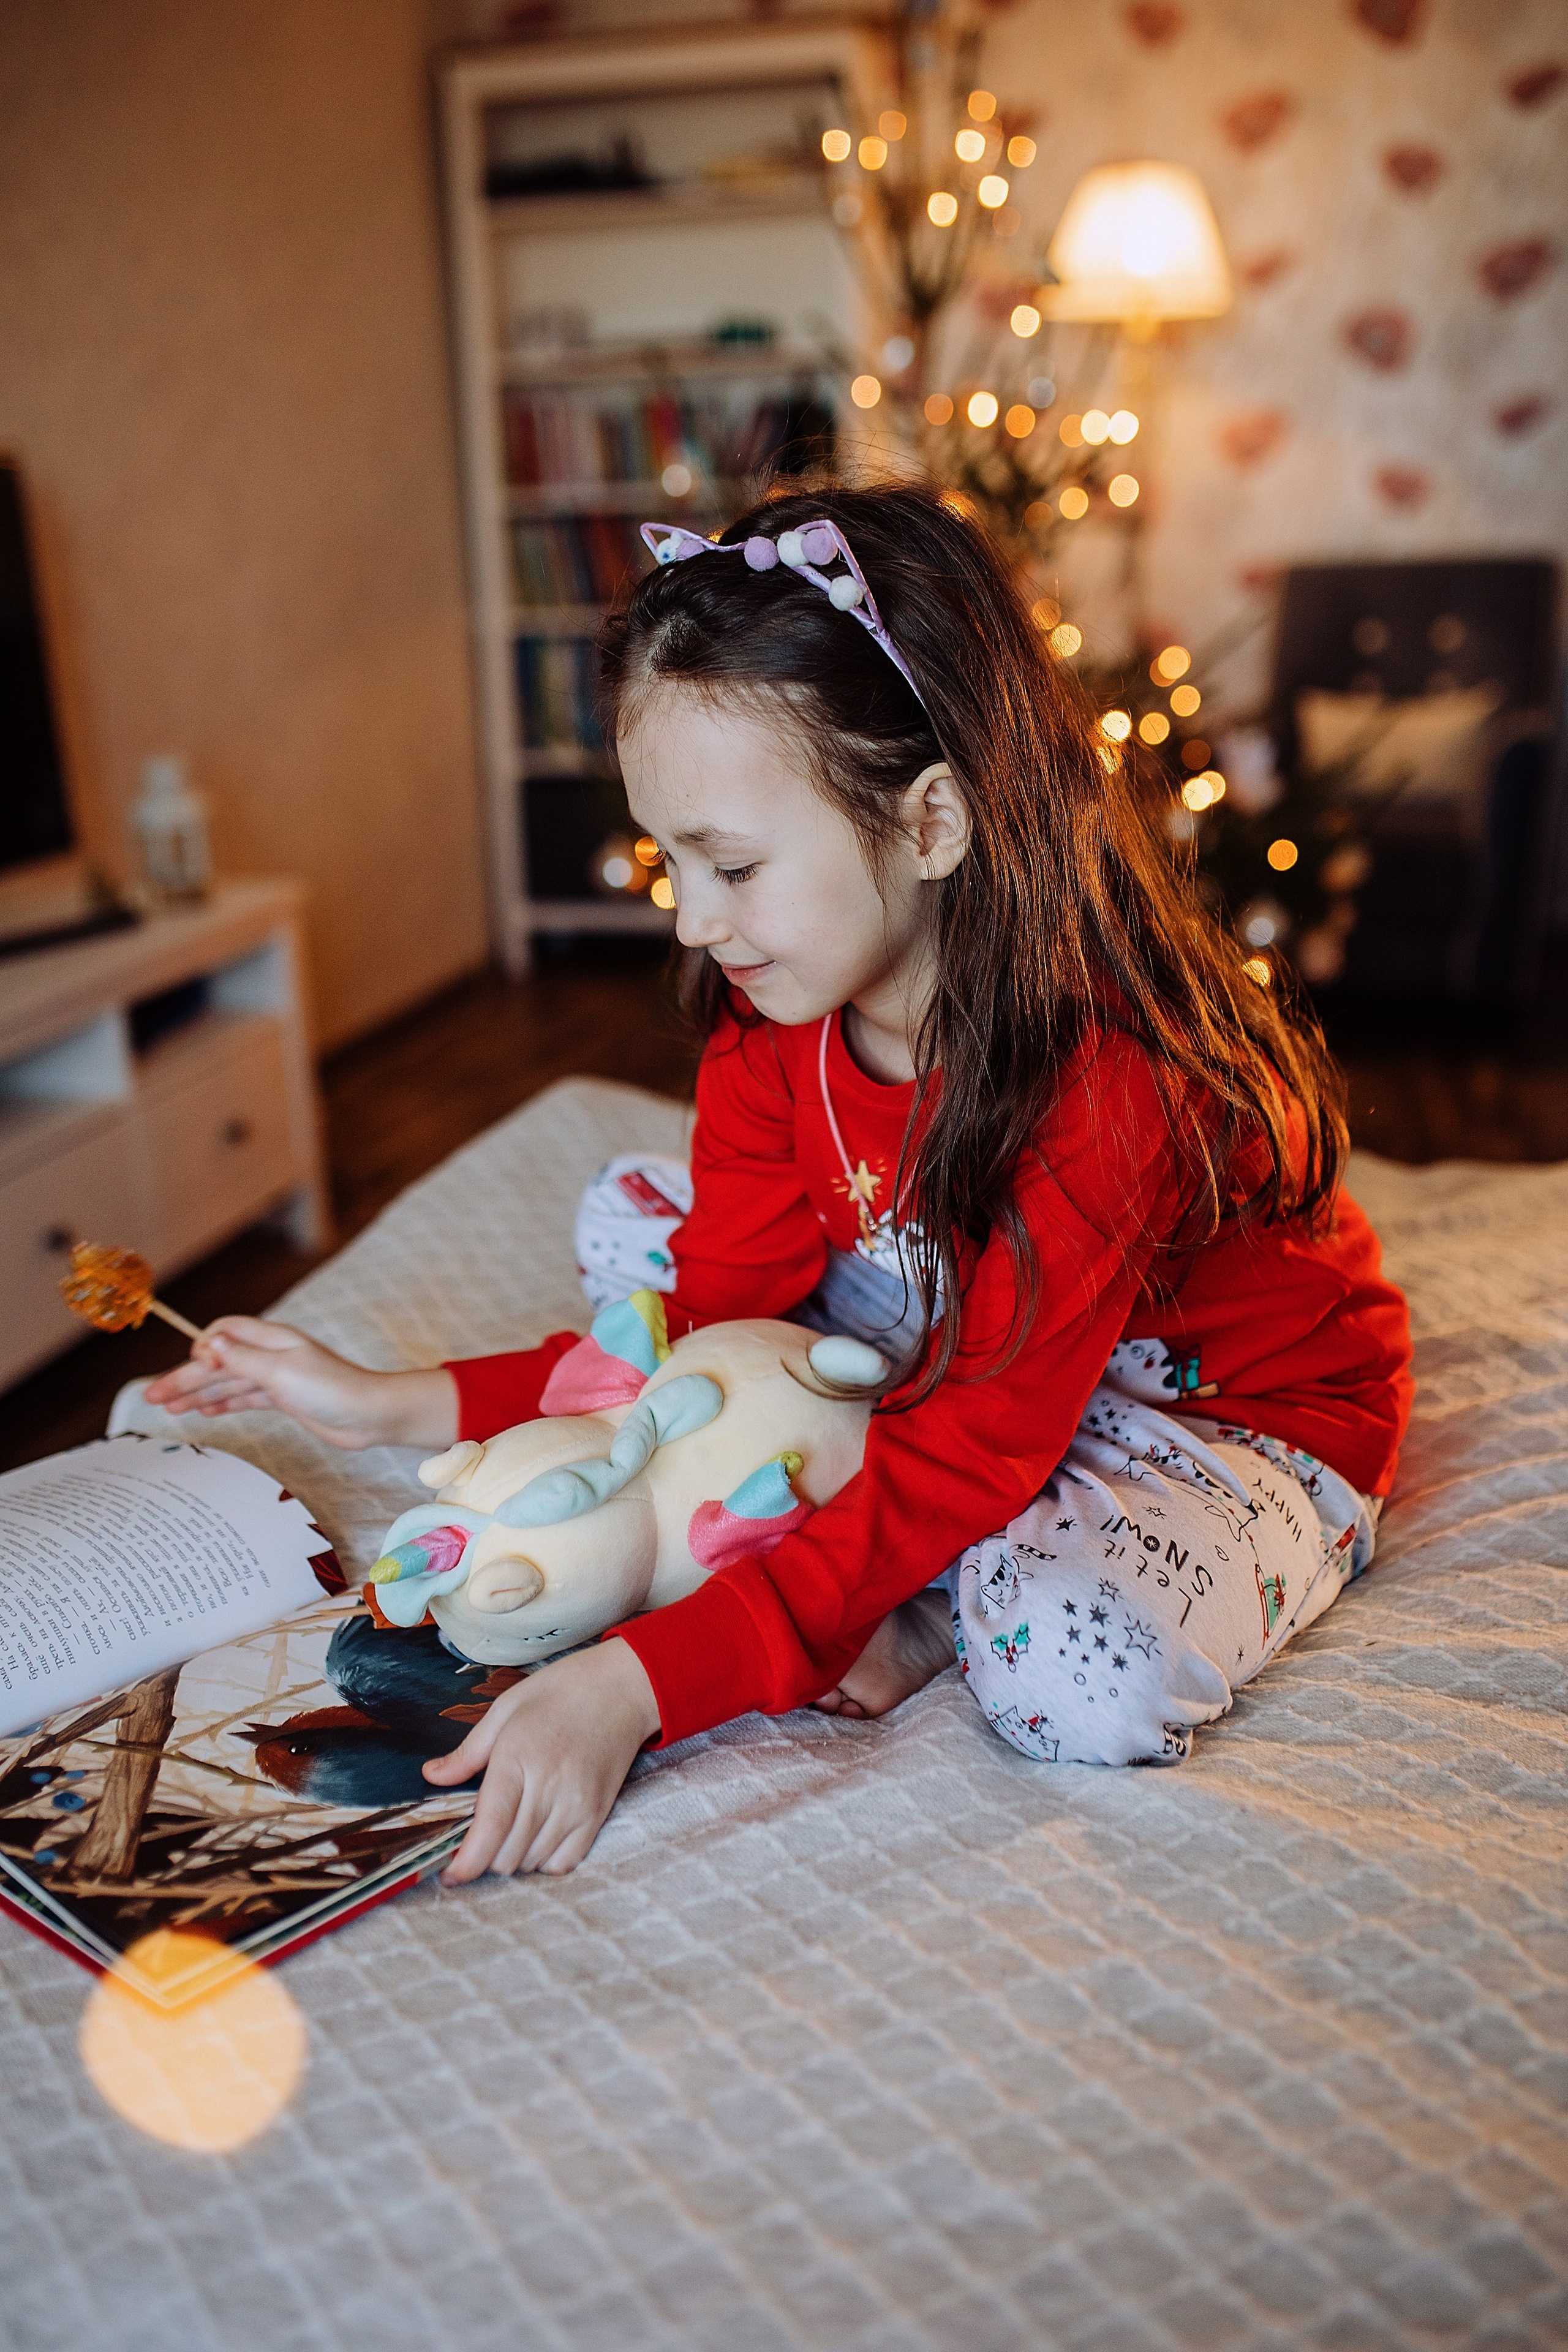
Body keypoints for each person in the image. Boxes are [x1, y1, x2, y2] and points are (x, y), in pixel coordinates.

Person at [145, 484, 1412, 1882]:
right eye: (667, 857)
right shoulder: (770, 1023)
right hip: (962, 1337)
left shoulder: (1105, 1079)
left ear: (932, 823)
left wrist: (635, 1684)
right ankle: (899, 1563)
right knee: (639, 1220)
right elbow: (707, 1349)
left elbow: (976, 1444)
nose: (691, 918)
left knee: (1070, 1678)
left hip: (1216, 1408)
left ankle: (931, 1601)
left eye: (732, 863)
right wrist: (388, 1402)